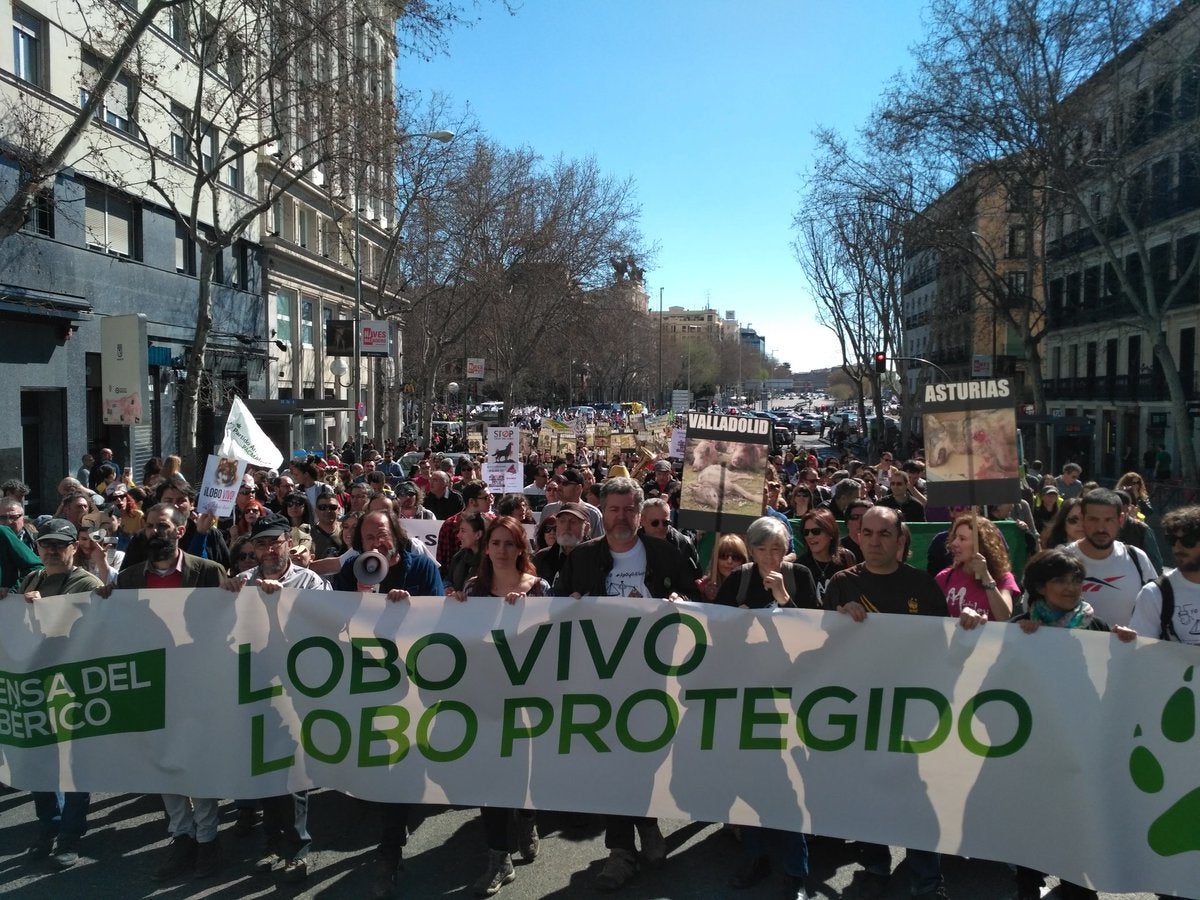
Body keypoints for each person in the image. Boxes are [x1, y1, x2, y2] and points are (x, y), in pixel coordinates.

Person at [551, 476, 693, 889]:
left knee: (646, 755)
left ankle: (647, 824)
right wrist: (568, 606)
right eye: (613, 509)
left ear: (639, 512)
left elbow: (695, 597)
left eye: (629, 509)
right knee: (610, 759)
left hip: (652, 674)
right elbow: (556, 607)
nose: (621, 517)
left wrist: (681, 602)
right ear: (603, 512)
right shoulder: (582, 558)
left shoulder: (666, 554)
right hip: (599, 676)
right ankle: (620, 848)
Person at [825, 505, 948, 898]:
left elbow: (941, 645)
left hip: (911, 706)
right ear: (857, 536)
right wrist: (839, 620)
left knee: (917, 794)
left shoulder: (924, 585)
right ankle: (875, 861)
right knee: (869, 787)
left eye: (884, 534)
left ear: (900, 541)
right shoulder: (839, 584)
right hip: (860, 705)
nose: (875, 541)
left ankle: (927, 877)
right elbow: (823, 646)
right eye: (868, 533)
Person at [109, 503, 233, 880]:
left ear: (180, 530)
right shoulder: (129, 580)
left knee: (198, 761)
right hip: (154, 684)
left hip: (199, 683)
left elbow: (229, 622)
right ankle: (182, 836)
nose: (153, 532)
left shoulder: (208, 572)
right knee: (165, 761)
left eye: (161, 525)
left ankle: (208, 839)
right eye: (148, 526)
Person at [1003, 547, 1135, 900]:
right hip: (1033, 749)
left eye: (1076, 579)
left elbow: (1116, 682)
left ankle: (1077, 887)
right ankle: (1027, 886)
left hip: (1081, 750)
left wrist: (1125, 646)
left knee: (1078, 823)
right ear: (1040, 587)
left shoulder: (1098, 627)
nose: (1070, 587)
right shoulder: (1019, 629)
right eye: (1059, 580)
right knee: (1033, 823)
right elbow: (997, 690)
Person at [330, 510, 443, 898]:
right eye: (367, 535)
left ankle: (390, 846)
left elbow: (442, 616)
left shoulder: (421, 568)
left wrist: (415, 608)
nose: (375, 541)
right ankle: (391, 841)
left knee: (406, 757)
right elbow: (331, 621)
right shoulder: (352, 572)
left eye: (381, 532)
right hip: (371, 682)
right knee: (389, 758)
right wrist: (361, 599)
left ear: (395, 533)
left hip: (414, 680)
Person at [454, 516, 546, 895]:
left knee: (523, 772)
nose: (502, 551)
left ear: (521, 548)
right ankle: (499, 855)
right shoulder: (474, 589)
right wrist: (453, 607)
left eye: (510, 544)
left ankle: (526, 817)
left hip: (528, 698)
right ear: (485, 548)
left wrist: (526, 615)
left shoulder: (538, 589)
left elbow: (556, 640)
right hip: (485, 697)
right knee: (488, 775)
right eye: (496, 543)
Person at [236, 514, 326, 884]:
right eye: (261, 544)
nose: (269, 550)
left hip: (295, 687)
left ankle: (297, 848)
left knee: (293, 772)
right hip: (255, 687)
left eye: (275, 542)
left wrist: (283, 602)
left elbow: (324, 625)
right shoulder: (241, 582)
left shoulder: (311, 582)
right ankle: (272, 843)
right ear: (252, 549)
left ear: (289, 543)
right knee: (264, 769)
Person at [14, 519, 105, 870]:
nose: (51, 550)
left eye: (59, 545)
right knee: (40, 761)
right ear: (37, 548)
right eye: (45, 544)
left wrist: (44, 610)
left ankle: (71, 835)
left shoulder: (86, 582)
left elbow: (93, 630)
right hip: (37, 683)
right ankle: (47, 827)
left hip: (74, 686)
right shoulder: (32, 580)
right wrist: (20, 606)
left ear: (73, 548)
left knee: (72, 764)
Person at [1065, 489, 1153, 627]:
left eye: (1109, 520)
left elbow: (1155, 611)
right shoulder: (1060, 560)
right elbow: (1035, 612)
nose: (1101, 528)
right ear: (1082, 519)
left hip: (1125, 648)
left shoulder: (1138, 559)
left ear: (1121, 520)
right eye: (1093, 519)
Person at [1130, 505, 1200, 644]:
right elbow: (1142, 652)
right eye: (1172, 540)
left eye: (1188, 542)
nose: (1178, 548)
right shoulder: (1155, 593)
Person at [716, 515, 818, 610]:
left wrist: (784, 598)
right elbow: (716, 619)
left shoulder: (800, 575)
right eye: (761, 549)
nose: (768, 555)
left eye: (775, 549)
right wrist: (735, 615)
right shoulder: (739, 577)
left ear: (785, 550)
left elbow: (810, 623)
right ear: (751, 551)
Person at [937, 515, 1018, 626]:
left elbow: (1004, 616)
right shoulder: (944, 577)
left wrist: (986, 576)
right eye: (954, 537)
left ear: (981, 545)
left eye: (962, 539)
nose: (954, 543)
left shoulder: (1003, 577)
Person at [795, 508, 857, 607]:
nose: (810, 536)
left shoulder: (847, 558)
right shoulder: (799, 566)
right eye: (806, 532)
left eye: (816, 531)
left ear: (830, 533)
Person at [533, 502, 589, 585]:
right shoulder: (541, 558)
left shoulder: (597, 558)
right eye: (562, 521)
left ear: (586, 528)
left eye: (573, 522)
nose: (566, 527)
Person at [696, 533, 748, 601]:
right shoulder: (701, 587)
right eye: (723, 556)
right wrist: (705, 596)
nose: (729, 561)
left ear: (743, 561)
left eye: (736, 557)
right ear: (715, 559)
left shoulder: (751, 587)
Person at [447, 511, 486, 596]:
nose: (458, 535)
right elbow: (448, 580)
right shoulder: (458, 557)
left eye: (463, 531)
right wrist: (448, 588)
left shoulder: (492, 561)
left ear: (478, 535)